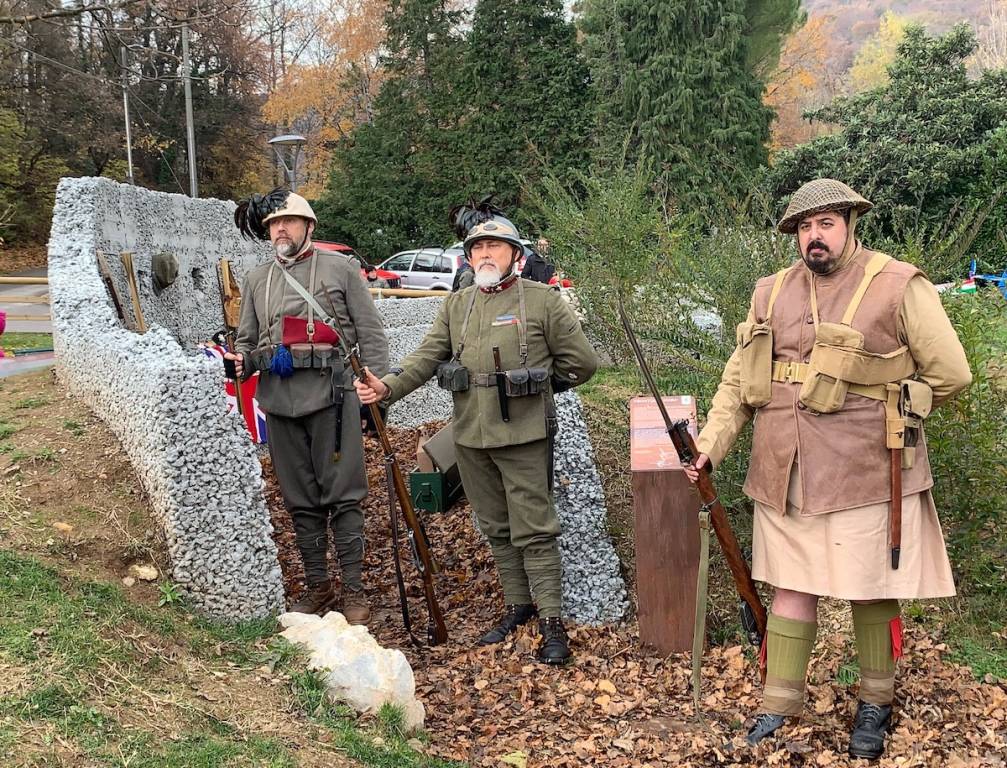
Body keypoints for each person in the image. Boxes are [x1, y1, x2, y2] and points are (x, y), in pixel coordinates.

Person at [683, 179, 971, 759]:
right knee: (792, 584)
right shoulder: (769, 292)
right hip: (782, 466)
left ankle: (875, 701)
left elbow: (951, 373)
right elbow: (739, 382)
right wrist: (710, 444)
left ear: (849, 223)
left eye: (826, 224)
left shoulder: (897, 284)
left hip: (866, 466)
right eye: (804, 227)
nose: (814, 237)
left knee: (871, 588)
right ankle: (779, 702)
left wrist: (896, 402)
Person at [355, 202, 598, 664]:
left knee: (536, 529)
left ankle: (552, 622)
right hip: (471, 434)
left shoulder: (542, 300)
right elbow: (426, 358)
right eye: (479, 247)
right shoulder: (458, 304)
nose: (486, 254)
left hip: (524, 434)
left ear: (515, 254)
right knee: (495, 525)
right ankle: (517, 605)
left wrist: (541, 385)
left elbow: (582, 363)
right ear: (469, 257)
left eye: (496, 247)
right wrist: (387, 386)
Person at [227, 188, 389, 624]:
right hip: (279, 400)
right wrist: (239, 361)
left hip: (332, 396)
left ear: (308, 226)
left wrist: (378, 386)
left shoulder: (340, 268)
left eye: (288, 222)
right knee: (300, 499)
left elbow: (370, 333)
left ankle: (354, 589)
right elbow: (247, 341)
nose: (279, 229)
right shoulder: (257, 278)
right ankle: (318, 586)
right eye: (272, 224)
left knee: (345, 495)